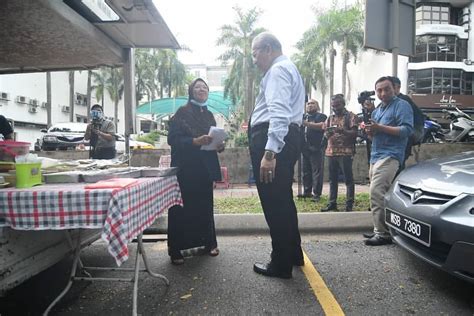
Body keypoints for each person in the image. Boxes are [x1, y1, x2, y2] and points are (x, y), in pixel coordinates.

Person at [249, 32, 305, 279]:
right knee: (283, 200)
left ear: (269, 49)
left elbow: (279, 112)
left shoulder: (277, 70)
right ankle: (293, 253)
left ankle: (280, 263)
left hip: (272, 139)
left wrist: (270, 151)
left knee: (274, 203)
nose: (254, 59)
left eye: (255, 52)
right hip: (286, 136)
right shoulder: (288, 68)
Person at [166, 78, 225, 265]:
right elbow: (172, 140)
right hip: (186, 168)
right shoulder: (182, 113)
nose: (202, 89)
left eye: (205, 87)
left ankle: (209, 244)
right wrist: (194, 141)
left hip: (205, 168)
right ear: (191, 91)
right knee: (180, 208)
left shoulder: (209, 114)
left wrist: (219, 145)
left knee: (205, 207)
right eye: (198, 87)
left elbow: (212, 139)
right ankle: (176, 250)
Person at [363, 76, 413, 246]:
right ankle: (381, 228)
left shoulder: (402, 105)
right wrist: (369, 131)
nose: (382, 93)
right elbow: (374, 135)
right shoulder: (377, 111)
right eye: (379, 90)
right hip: (375, 156)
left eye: (386, 89)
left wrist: (379, 128)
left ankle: (382, 234)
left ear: (395, 89)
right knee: (381, 194)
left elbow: (406, 130)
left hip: (391, 156)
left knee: (376, 192)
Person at [321, 94, 359, 212]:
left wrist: (343, 131)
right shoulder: (330, 118)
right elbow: (325, 133)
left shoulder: (351, 116)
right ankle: (332, 203)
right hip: (331, 152)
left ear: (343, 104)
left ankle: (349, 203)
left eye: (337, 105)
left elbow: (355, 133)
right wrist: (328, 134)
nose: (335, 108)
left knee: (348, 179)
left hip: (346, 152)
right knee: (332, 179)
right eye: (333, 106)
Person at [388, 76, 425, 170]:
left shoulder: (403, 100)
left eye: (392, 87)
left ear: (398, 87)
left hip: (414, 130)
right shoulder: (390, 102)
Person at [301, 99, 327, 201]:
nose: (310, 105)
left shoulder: (321, 116)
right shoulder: (303, 117)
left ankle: (317, 194)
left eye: (312, 103)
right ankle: (307, 192)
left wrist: (306, 124)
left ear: (317, 106)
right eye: (308, 103)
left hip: (316, 147)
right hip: (305, 148)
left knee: (317, 172)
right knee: (305, 171)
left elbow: (321, 126)